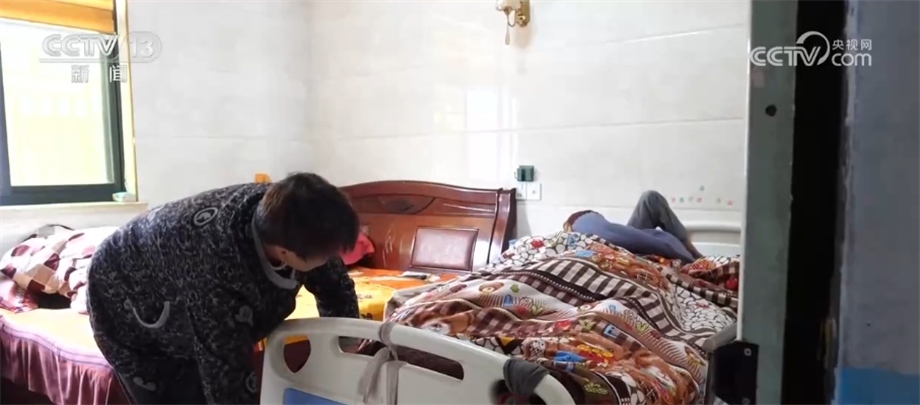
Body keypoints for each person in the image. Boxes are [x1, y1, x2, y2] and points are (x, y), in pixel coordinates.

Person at [86, 172, 360, 404]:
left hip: (182, 279)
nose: (330, 260)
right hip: (123, 293)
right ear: (284, 251)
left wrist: (347, 351)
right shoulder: (216, 265)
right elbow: (227, 377)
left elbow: (335, 288)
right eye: (325, 256)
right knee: (179, 394)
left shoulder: (298, 218)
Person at [564, 190, 704, 262]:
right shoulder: (568, 240)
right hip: (624, 250)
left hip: (625, 244)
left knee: (651, 198)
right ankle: (692, 259)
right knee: (607, 234)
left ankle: (693, 255)